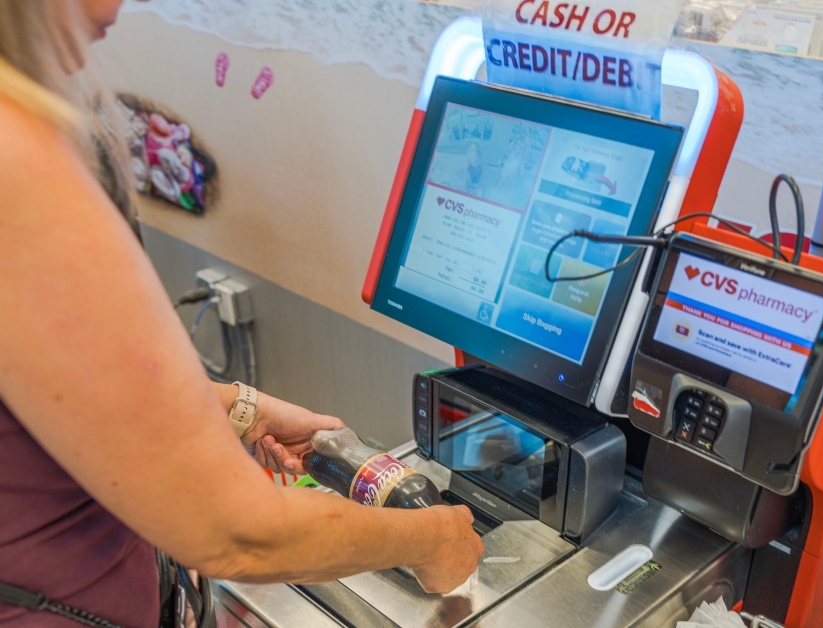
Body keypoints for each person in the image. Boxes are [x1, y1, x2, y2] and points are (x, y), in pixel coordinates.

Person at [0, 1, 484, 626]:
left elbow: (64, 388)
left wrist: (237, 406)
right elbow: (236, 532)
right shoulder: (21, 170)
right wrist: (433, 541)